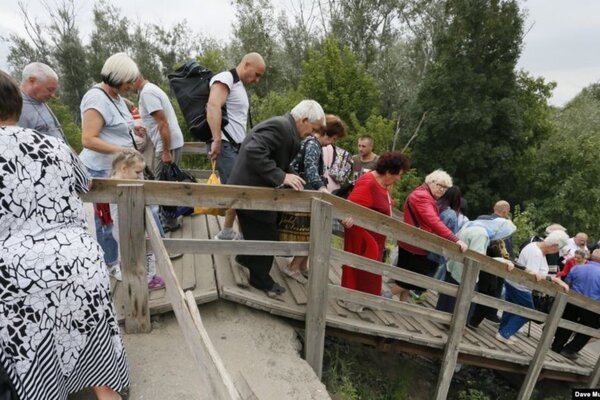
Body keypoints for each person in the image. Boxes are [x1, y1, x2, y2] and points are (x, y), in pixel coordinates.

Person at [0, 70, 129, 400]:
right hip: (79, 261)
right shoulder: (55, 146)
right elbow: (83, 183)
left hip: (15, 275)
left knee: (35, 361)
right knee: (98, 346)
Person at [227, 100, 326, 297]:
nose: (312, 134)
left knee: (263, 231)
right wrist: (281, 176)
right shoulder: (280, 127)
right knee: (266, 233)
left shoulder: (285, 127)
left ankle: (247, 259)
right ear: (304, 120)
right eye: (313, 129)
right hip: (250, 190)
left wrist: (294, 178)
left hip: (253, 189)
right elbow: (253, 151)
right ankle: (261, 279)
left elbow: (275, 160)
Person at [79, 52, 145, 274]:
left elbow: (114, 125)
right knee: (107, 221)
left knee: (122, 216)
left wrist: (133, 129)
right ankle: (111, 263)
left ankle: (125, 256)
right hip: (102, 168)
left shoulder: (115, 96)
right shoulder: (96, 99)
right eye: (128, 81)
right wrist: (123, 149)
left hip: (119, 168)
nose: (132, 85)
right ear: (116, 78)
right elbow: (88, 139)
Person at [278, 114, 348, 283]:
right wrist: (323, 189)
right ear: (327, 134)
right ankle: (293, 267)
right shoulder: (313, 144)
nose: (333, 143)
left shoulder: (310, 142)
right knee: (312, 232)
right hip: (305, 191)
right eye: (334, 138)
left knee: (312, 231)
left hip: (302, 190)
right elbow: (310, 170)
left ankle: (302, 265)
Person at [339, 152, 411, 312]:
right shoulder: (369, 182)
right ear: (388, 171)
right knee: (362, 268)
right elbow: (350, 208)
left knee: (371, 270)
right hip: (363, 235)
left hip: (376, 236)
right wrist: (348, 218)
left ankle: (366, 299)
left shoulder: (385, 184)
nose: (399, 178)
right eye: (398, 174)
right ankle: (353, 300)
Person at [208, 52, 266, 241]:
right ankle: (244, 237)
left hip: (236, 146)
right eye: (256, 74)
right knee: (240, 191)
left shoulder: (238, 85)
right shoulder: (226, 78)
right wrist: (216, 140)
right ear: (247, 64)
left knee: (239, 189)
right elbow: (213, 106)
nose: (256, 80)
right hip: (225, 145)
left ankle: (228, 232)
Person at [393, 170, 468, 302]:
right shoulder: (423, 196)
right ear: (431, 182)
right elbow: (433, 221)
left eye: (445, 187)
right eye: (439, 185)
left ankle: (401, 304)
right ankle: (381, 296)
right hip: (415, 245)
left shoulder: (423, 194)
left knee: (406, 278)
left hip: (411, 242)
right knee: (413, 281)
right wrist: (455, 239)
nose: (442, 190)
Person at [496, 230, 570, 345]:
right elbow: (533, 275)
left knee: (512, 307)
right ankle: (504, 333)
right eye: (558, 248)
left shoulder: (536, 247)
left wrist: (553, 279)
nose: (557, 251)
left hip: (514, 282)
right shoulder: (536, 252)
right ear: (555, 245)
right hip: (520, 286)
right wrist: (553, 280)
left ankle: (503, 332)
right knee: (529, 312)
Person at [108, 148, 166, 290]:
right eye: (138, 172)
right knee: (147, 250)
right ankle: (148, 278)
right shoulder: (124, 185)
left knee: (127, 252)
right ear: (124, 168)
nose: (140, 177)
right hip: (129, 227)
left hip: (124, 228)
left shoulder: (112, 182)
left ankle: (131, 275)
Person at [135, 75, 185, 231]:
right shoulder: (151, 89)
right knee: (168, 182)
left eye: (128, 82)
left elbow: (163, 123)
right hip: (170, 142)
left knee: (160, 185)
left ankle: (169, 223)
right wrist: (147, 129)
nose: (127, 87)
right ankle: (172, 218)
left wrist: (166, 151)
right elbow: (158, 123)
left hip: (167, 145)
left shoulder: (147, 93)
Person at [435, 218, 516, 314]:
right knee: (463, 309)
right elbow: (478, 259)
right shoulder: (482, 235)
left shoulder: (472, 225)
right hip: (464, 274)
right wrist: (501, 261)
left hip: (453, 267)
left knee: (446, 300)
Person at [551, 249, 600, 360]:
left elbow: (567, 284)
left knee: (566, 322)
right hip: (592, 306)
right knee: (589, 329)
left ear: (591, 256)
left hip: (572, 301)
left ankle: (556, 346)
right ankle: (570, 349)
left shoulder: (577, 268)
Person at [17, 61, 67, 142]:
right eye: (49, 90)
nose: (53, 95)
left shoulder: (39, 100)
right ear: (32, 81)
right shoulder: (15, 108)